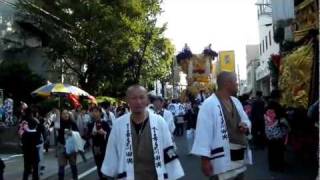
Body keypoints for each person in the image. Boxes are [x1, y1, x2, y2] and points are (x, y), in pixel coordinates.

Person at [101, 85, 184, 179]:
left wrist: (173, 171)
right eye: (133, 98)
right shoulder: (118, 124)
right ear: (127, 100)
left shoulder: (159, 121)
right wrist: (109, 170)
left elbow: (168, 147)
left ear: (147, 100)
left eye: (141, 97)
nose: (138, 102)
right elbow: (112, 150)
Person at [192, 72, 252, 180]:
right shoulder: (209, 104)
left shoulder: (236, 101)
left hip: (239, 158)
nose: (237, 85)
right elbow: (203, 134)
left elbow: (246, 120)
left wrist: (245, 126)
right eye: (235, 82)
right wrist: (205, 160)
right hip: (221, 160)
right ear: (228, 84)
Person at [264, 90, 288, 172]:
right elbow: (283, 119)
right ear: (278, 97)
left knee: (271, 150)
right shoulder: (278, 106)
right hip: (277, 132)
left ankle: (272, 166)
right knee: (279, 150)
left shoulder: (267, 106)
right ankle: (279, 166)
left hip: (269, 131)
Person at [88, 106, 111, 180]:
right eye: (93, 111)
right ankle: (101, 177)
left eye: (96, 111)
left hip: (104, 146)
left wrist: (104, 133)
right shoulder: (91, 124)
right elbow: (87, 136)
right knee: (98, 164)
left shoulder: (105, 123)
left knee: (105, 164)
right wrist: (92, 133)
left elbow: (110, 135)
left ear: (100, 113)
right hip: (95, 147)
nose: (94, 113)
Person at [19, 108, 42, 180]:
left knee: (26, 168)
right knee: (35, 168)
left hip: (26, 147)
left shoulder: (23, 122)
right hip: (34, 147)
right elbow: (39, 133)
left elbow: (20, 134)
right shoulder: (35, 121)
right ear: (32, 113)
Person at [57, 109, 79, 180]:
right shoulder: (59, 123)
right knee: (61, 167)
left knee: (73, 165)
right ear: (61, 115)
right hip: (62, 146)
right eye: (64, 113)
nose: (66, 115)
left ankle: (75, 178)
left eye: (67, 113)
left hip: (71, 147)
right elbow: (55, 128)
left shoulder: (72, 123)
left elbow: (78, 133)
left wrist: (72, 132)